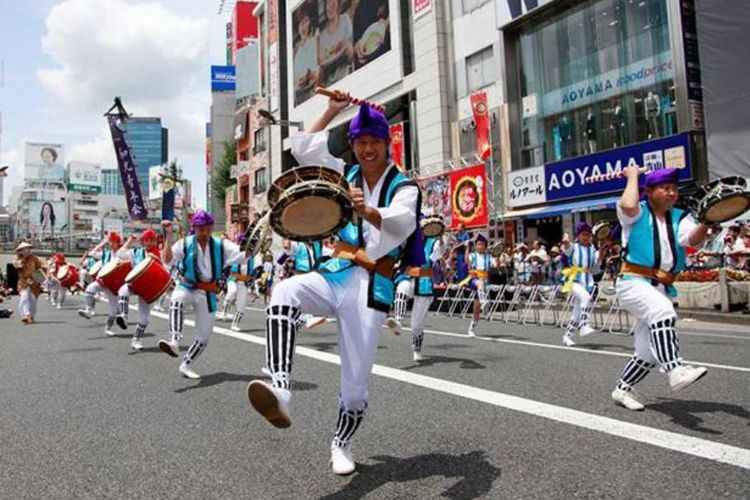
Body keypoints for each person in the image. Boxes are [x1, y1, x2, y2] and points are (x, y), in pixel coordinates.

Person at [245, 93, 419, 476]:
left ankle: (341, 443)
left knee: (355, 388)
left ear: (386, 143)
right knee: (284, 291)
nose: (367, 149)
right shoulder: (344, 174)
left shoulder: (405, 185)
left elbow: (402, 222)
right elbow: (304, 148)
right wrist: (332, 110)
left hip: (371, 284)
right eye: (360, 142)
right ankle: (281, 389)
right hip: (336, 271)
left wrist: (366, 209)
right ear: (353, 145)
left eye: (374, 142)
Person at [611, 167, 714, 411]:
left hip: (661, 286)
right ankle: (675, 369)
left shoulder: (681, 217)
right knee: (663, 312)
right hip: (633, 281)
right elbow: (627, 205)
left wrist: (709, 221)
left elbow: (692, 240)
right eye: (665, 188)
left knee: (646, 352)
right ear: (649, 191)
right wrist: (633, 175)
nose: (671, 193)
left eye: (674, 189)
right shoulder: (636, 212)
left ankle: (622, 389)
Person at [157, 210, 251, 379]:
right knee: (176, 300)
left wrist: (253, 245)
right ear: (195, 228)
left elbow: (243, 254)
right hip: (187, 286)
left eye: (208, 229)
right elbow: (167, 259)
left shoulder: (221, 245)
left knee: (204, 336)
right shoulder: (185, 243)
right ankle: (175, 341)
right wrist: (168, 236)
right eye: (202, 229)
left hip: (207, 292)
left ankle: (186, 364)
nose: (206, 233)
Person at [387, 229, 444, 360]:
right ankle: (398, 321)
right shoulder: (407, 241)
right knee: (402, 289)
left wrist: (440, 238)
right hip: (408, 277)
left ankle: (416, 348)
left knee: (416, 325)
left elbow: (438, 255)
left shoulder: (433, 242)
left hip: (424, 283)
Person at [115, 228, 162, 350]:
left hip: (148, 287)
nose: (149, 243)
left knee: (144, 318)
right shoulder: (137, 252)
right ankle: (124, 316)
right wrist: (129, 241)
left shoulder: (159, 253)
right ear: (142, 241)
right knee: (122, 290)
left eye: (151, 240)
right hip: (135, 283)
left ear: (155, 241)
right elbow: (119, 254)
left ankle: (136, 339)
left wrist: (157, 260)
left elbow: (165, 269)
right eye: (146, 240)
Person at [77, 233, 124, 337]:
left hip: (115, 284)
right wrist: (103, 243)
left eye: (112, 241)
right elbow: (92, 253)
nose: (110, 244)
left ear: (117, 243)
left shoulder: (122, 253)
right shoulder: (105, 253)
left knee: (113, 310)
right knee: (90, 288)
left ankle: (108, 328)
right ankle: (88, 310)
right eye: (109, 241)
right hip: (104, 280)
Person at [560, 225, 598, 347]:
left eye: (588, 234)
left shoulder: (592, 249)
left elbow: (597, 263)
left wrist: (602, 249)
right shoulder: (574, 247)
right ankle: (584, 324)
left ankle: (567, 336)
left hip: (586, 280)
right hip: (573, 279)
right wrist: (565, 240)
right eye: (583, 234)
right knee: (586, 298)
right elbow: (566, 246)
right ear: (578, 236)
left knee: (576, 313)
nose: (586, 237)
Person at [217, 233, 255, 332]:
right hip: (233, 279)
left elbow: (253, 273)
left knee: (241, 305)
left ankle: (234, 324)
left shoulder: (252, 257)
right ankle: (224, 312)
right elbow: (228, 263)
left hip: (244, 282)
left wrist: (253, 289)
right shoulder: (235, 251)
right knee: (232, 292)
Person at [459, 234, 495, 337]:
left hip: (484, 281)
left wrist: (498, 256)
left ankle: (471, 329)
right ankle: (484, 302)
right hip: (473, 279)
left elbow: (496, 264)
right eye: (478, 244)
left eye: (482, 244)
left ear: (485, 246)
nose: (480, 246)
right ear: (475, 246)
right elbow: (466, 261)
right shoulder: (473, 255)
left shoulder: (489, 257)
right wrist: (467, 248)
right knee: (479, 283)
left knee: (476, 309)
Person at [318, 0, 354, 87]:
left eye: (333, 4)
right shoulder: (322, 36)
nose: (330, 7)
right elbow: (323, 65)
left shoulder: (345, 20)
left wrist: (348, 48)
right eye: (328, 3)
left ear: (338, 6)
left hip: (347, 76)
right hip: (330, 85)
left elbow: (351, 57)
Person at [292, 3, 319, 105]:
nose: (303, 27)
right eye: (301, 23)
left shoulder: (315, 42)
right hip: (298, 96)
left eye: (306, 21)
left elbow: (319, 70)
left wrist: (310, 76)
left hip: (313, 92)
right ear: (298, 27)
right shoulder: (296, 51)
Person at [13, 242, 45, 324]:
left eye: (27, 249)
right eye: (23, 249)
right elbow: (17, 266)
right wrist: (22, 259)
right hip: (23, 282)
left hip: (34, 281)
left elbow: (41, 267)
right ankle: (25, 315)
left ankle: (31, 316)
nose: (26, 251)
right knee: (24, 297)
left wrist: (45, 276)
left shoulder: (34, 258)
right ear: (20, 251)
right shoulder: (17, 259)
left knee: (33, 301)